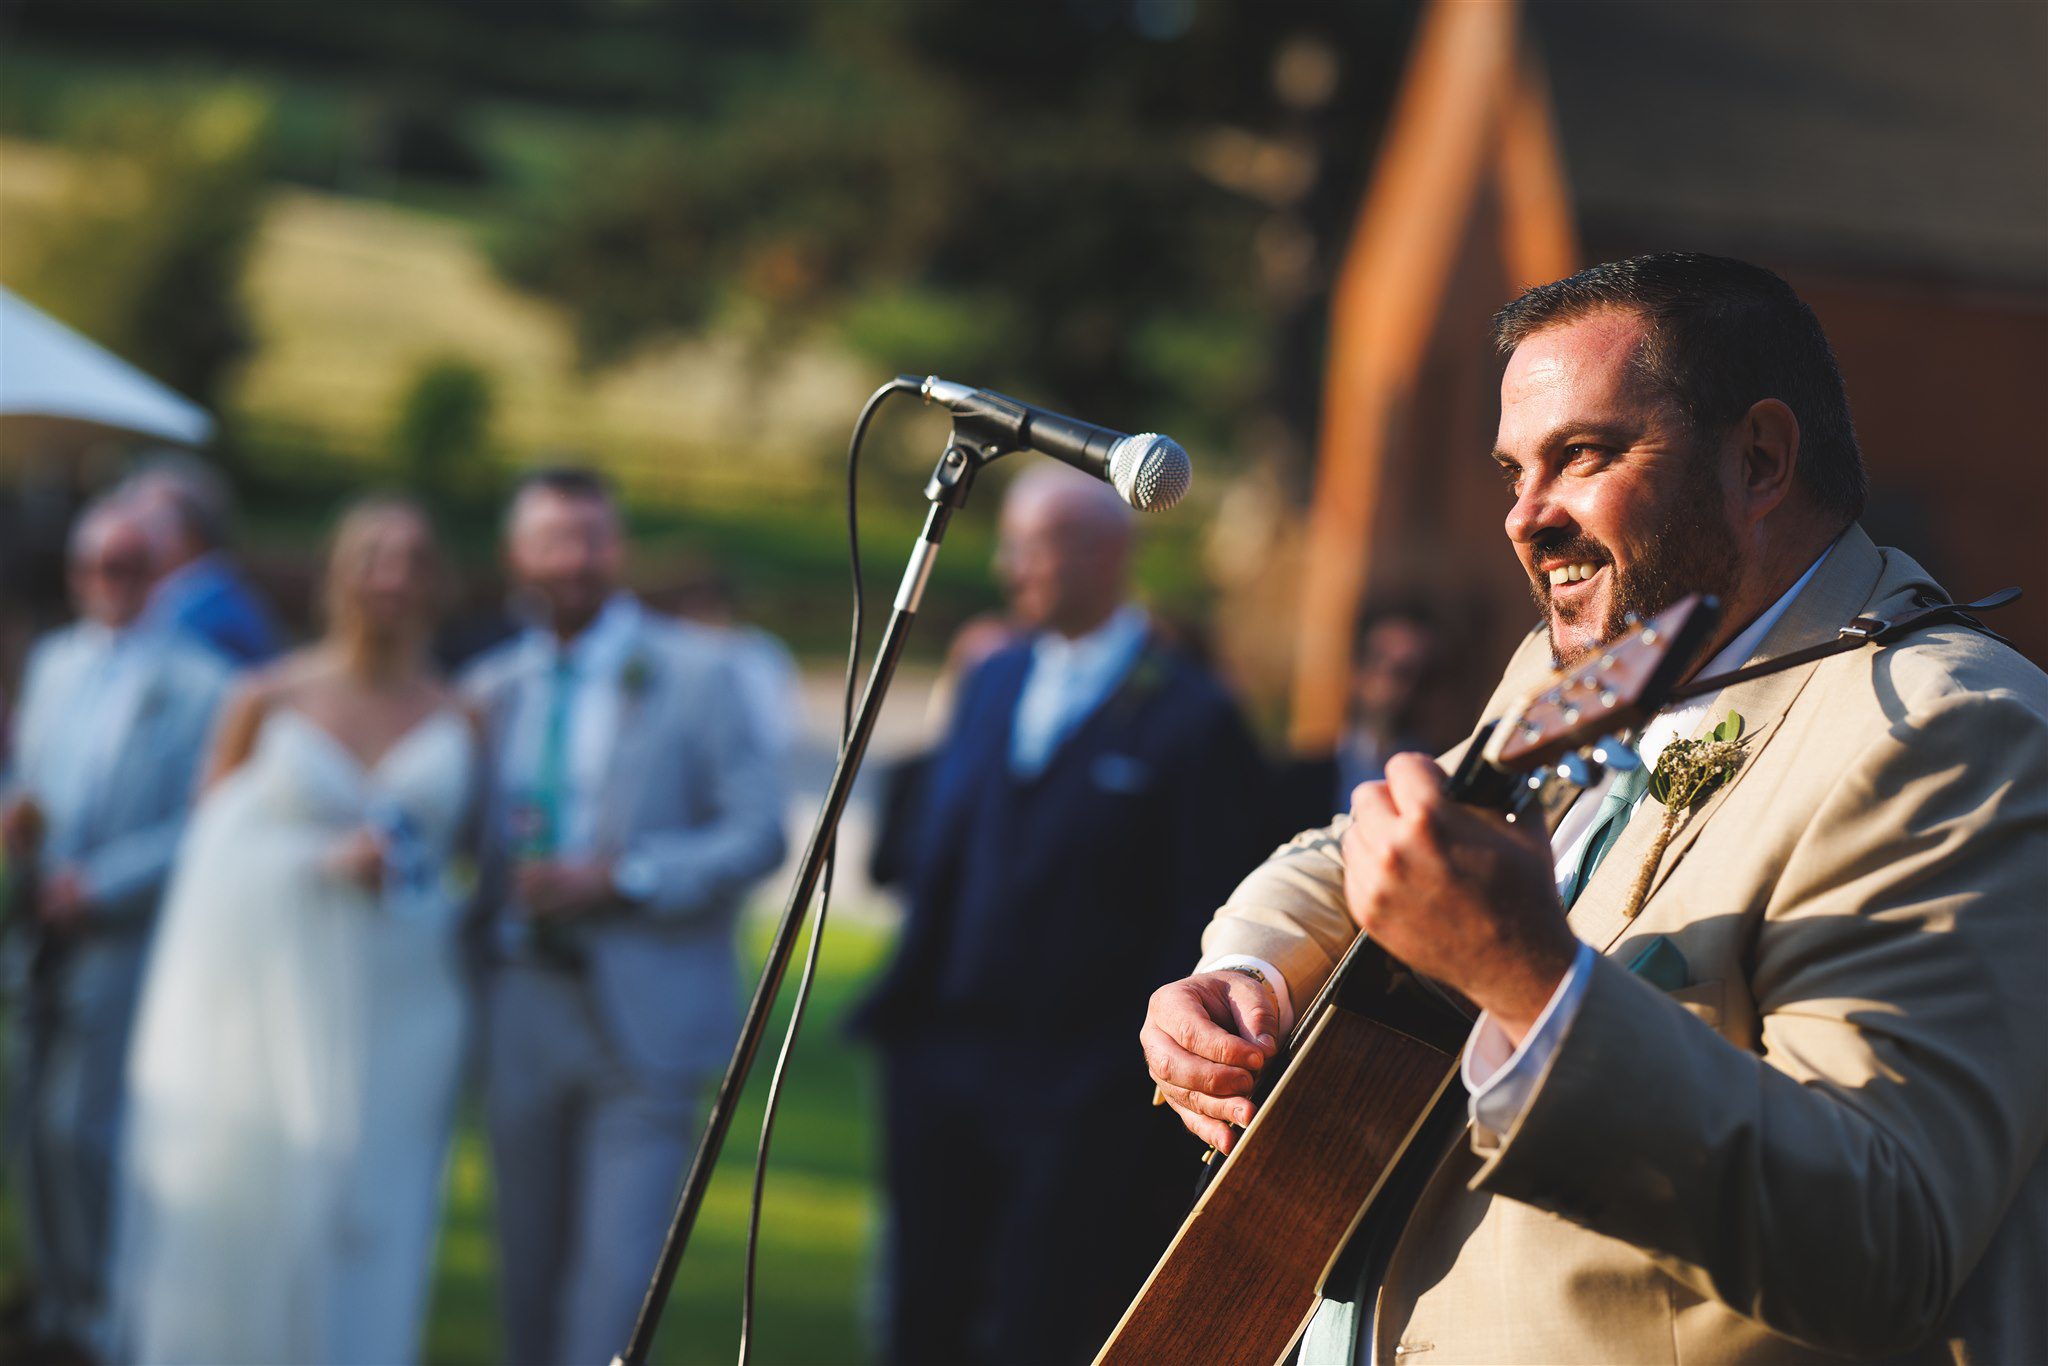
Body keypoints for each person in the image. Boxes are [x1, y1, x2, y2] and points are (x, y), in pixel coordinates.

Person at [1140, 254, 2047, 1364]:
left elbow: (1884, 1245)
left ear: (1757, 457)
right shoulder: (1587, 664)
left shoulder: (1948, 731)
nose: (1526, 517)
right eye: (1513, 469)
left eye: (1582, 455)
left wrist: (1526, 979)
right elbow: (1367, 843)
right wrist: (1250, 969)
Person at [854, 465, 1270, 1365]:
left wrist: (1120, 1075)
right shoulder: (992, 676)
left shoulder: (1195, 717)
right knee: (920, 1311)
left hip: (1080, 1086)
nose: (1010, 570)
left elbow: (1205, 905)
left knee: (1043, 1320)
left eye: (1030, 549)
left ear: (1106, 554)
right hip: (942, 1063)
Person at [113, 497, 476, 1365]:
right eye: (373, 557)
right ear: (338, 575)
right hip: (273, 998)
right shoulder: (265, 697)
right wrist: (315, 863)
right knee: (266, 1199)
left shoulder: (466, 715)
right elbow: (205, 858)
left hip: (407, 1002)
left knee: (375, 1210)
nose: (391, 577)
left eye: (413, 559)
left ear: (437, 582)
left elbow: (472, 866)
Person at [461, 467, 787, 1365]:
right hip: (522, 1006)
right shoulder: (491, 689)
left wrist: (631, 875)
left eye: (593, 538)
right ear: (514, 556)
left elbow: (760, 833)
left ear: (620, 550)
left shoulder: (702, 671)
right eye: (552, 539)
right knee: (525, 1282)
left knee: (614, 1297)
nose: (574, 559)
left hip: (647, 1018)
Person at [1, 496, 229, 1359]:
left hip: (126, 933)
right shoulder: (56, 661)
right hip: (38, 925)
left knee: (84, 1124)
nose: (109, 582)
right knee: (29, 1120)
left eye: (128, 566)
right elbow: (27, 773)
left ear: (158, 574)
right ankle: (53, 1296)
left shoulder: (202, 680)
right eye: (93, 565)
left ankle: (102, 1305)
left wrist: (99, 884)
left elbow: (199, 826)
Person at [119, 453, 281, 666]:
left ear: (190, 532)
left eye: (148, 523)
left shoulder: (201, 607)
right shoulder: (211, 590)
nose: (134, 535)